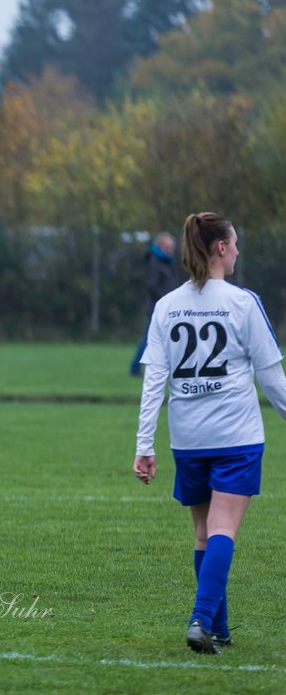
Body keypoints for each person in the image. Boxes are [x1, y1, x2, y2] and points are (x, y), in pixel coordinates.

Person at [133, 212, 286, 654]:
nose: (238, 251)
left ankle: (218, 628)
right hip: (236, 436)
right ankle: (200, 619)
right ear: (220, 248)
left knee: (204, 533)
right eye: (234, 243)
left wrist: (145, 445)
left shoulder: (167, 306)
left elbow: (153, 383)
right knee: (222, 529)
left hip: (189, 439)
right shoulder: (242, 302)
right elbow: (273, 379)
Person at [130, 232, 178, 376]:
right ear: (159, 247)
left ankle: (169, 368)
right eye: (167, 247)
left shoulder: (167, 262)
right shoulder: (155, 262)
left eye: (171, 248)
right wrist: (164, 301)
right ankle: (134, 368)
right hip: (157, 309)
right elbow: (152, 286)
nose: (170, 250)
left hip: (166, 308)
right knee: (147, 340)